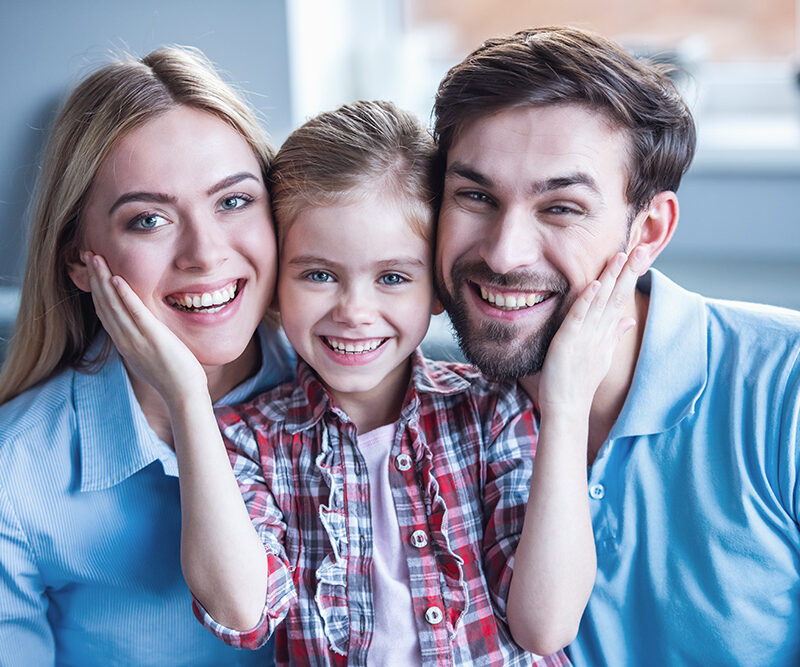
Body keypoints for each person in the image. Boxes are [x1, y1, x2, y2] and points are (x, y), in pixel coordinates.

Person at [83, 99, 646, 665]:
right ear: (276, 285)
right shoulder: (247, 439)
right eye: (319, 275)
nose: (354, 311)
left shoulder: (489, 412)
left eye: (393, 278)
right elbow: (241, 613)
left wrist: (565, 406)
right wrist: (186, 396)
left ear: (438, 290)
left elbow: (545, 627)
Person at [432, 25, 800, 666]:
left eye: (562, 208)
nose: (503, 253)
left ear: (648, 230)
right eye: (475, 196)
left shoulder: (785, 386)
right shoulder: (421, 411)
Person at [0, 46, 292, 665]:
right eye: (149, 220)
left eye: (233, 201)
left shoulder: (355, 392)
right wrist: (188, 398)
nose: (205, 253)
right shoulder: (16, 473)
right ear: (79, 259)